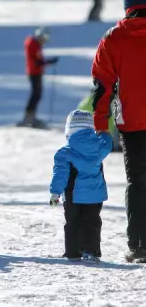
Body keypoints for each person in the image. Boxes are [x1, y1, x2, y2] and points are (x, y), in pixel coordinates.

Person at [91, 0, 146, 262]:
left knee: (138, 181)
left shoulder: (113, 38)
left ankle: (139, 245)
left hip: (131, 123)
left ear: (127, 8)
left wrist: (101, 124)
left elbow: (102, 86)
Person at [49, 110, 112, 263]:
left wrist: (55, 193)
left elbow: (60, 174)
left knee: (73, 222)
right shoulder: (99, 147)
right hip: (95, 194)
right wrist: (103, 131)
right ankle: (91, 250)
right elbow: (108, 141)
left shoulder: (65, 152)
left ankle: (73, 252)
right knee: (92, 221)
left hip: (73, 195)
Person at [19, 27, 58, 128]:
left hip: (36, 72)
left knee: (37, 94)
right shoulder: (33, 44)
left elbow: (38, 60)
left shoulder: (36, 44)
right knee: (35, 94)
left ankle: (31, 116)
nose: (43, 42)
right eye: (43, 40)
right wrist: (49, 62)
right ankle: (29, 117)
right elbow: (36, 61)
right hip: (34, 72)